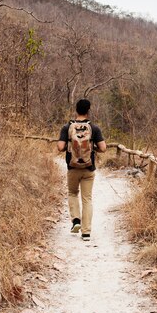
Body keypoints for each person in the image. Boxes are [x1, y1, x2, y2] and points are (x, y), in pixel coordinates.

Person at [57, 99, 107, 241]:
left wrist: (70, 145)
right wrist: (93, 148)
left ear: (76, 110)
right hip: (88, 168)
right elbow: (103, 148)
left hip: (72, 167)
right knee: (87, 199)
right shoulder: (94, 128)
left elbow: (60, 147)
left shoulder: (67, 127)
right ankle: (86, 232)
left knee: (72, 193)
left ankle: (76, 221)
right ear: (88, 111)